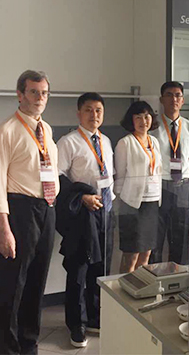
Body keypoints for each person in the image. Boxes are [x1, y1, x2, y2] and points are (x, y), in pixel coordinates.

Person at [0, 70, 59, 354]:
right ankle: (7, 348)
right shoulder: (6, 131)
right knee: (12, 284)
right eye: (33, 92)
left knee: (37, 281)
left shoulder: (47, 129)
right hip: (19, 210)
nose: (40, 98)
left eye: (44, 93)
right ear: (20, 94)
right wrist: (3, 229)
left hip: (46, 209)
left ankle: (29, 343)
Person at [56, 93, 114, 348]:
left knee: (99, 268)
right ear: (79, 113)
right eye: (88, 110)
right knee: (79, 269)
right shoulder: (68, 142)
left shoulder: (106, 141)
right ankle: (76, 324)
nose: (94, 115)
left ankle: (94, 316)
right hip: (82, 214)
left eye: (98, 110)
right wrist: (81, 198)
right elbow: (57, 178)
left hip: (105, 212)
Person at [152, 81, 189, 265]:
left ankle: (177, 274)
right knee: (156, 236)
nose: (174, 99)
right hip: (160, 186)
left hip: (183, 186)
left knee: (180, 235)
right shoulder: (153, 127)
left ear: (182, 100)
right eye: (169, 95)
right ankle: (155, 275)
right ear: (161, 100)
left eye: (177, 95)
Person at [114, 101, 162, 273]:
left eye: (147, 116)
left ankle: (140, 286)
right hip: (133, 204)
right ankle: (124, 287)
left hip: (153, 202)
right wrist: (121, 204)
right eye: (138, 117)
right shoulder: (125, 143)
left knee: (146, 254)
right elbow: (120, 176)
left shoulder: (154, 141)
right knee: (131, 256)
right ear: (131, 120)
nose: (144, 121)